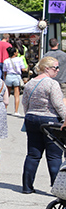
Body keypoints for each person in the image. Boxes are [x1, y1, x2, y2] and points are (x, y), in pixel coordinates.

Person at [21, 56, 66, 194]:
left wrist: (28, 114)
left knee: (33, 154)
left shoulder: (29, 83)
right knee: (54, 156)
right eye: (55, 67)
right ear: (47, 68)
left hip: (32, 118)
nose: (57, 70)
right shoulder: (52, 84)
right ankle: (57, 187)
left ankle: (27, 187)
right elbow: (59, 105)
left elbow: (24, 103)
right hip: (49, 120)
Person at [3, 47, 26, 116]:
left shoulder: (6, 60)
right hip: (16, 76)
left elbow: (5, 71)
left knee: (7, 94)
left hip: (9, 76)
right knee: (17, 95)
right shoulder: (19, 59)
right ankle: (16, 111)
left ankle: (4, 109)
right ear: (14, 53)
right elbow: (23, 69)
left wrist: (5, 78)